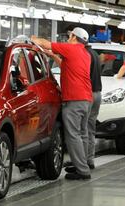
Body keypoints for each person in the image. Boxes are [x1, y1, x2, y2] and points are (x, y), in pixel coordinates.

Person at [32, 27, 92, 180]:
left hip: (74, 99)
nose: (67, 38)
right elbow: (67, 65)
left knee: (73, 135)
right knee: (81, 134)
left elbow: (46, 43)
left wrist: (33, 39)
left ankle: (82, 170)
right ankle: (81, 164)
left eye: (69, 35)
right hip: (85, 99)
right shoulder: (84, 53)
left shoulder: (71, 48)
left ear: (73, 37)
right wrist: (52, 56)